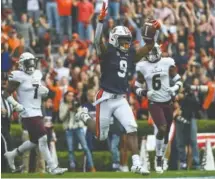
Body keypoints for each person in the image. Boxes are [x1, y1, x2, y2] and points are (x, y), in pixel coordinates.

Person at [75, 2, 161, 175]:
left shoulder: (130, 54)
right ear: (114, 39)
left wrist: (155, 32)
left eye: (127, 41)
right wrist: (100, 22)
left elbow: (148, 48)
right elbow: (97, 40)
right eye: (123, 40)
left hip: (120, 98)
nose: (126, 44)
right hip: (105, 97)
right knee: (101, 135)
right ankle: (83, 115)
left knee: (132, 127)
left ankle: (136, 163)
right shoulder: (106, 52)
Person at [3, 52, 67, 174]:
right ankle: (52, 167)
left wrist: (45, 92)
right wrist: (16, 105)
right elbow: (5, 94)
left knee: (34, 141)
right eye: (28, 63)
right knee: (43, 138)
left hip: (37, 111)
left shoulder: (37, 74)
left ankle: (12, 154)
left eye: (33, 62)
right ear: (22, 64)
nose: (31, 65)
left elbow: (38, 92)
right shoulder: (18, 75)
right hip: (27, 112)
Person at [134, 43, 182, 173]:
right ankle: (159, 158)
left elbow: (178, 80)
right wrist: (144, 93)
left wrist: (174, 88)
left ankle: (160, 156)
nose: (150, 54)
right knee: (162, 128)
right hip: (154, 102)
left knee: (166, 132)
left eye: (152, 51)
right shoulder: (143, 66)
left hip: (168, 102)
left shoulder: (167, 62)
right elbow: (136, 87)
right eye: (148, 52)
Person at [59, 91, 96, 172]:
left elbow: (81, 116)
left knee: (85, 147)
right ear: (65, 96)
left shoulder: (77, 103)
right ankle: (72, 167)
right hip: (69, 128)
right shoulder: (63, 105)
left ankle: (92, 166)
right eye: (69, 95)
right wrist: (68, 111)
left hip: (78, 127)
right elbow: (61, 118)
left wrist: (76, 110)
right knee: (70, 149)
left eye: (72, 96)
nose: (70, 97)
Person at [1, 72, 14, 172]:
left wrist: (11, 113)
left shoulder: (8, 92)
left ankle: (6, 168)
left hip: (7, 121)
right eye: (2, 79)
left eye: (6, 80)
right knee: (6, 143)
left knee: (7, 144)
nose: (4, 81)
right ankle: (6, 168)